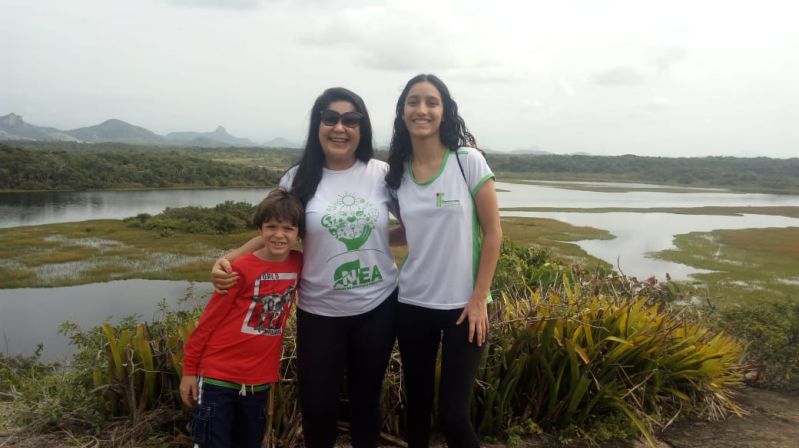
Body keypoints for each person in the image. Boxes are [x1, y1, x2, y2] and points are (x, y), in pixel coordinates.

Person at [211, 87, 399, 448]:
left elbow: (414, 223)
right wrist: (230, 259)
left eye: (351, 119)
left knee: (366, 402)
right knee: (317, 406)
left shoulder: (382, 174)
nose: (340, 127)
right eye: (330, 118)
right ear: (318, 125)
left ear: (362, 128)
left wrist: (376, 238)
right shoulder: (298, 178)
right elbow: (275, 233)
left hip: (377, 307)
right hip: (319, 310)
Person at [385, 74, 502, 448]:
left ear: (444, 111)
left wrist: (479, 298)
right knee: (417, 407)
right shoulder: (397, 173)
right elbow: (410, 230)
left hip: (463, 307)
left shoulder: (467, 162)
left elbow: (493, 233)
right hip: (412, 303)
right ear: (402, 112)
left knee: (453, 415)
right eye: (413, 102)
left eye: (431, 102)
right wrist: (364, 239)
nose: (421, 110)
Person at [180, 188, 304, 448]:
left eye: (288, 229)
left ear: (298, 233)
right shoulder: (239, 269)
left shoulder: (299, 263)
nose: (279, 235)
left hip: (259, 381)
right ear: (260, 230)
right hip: (218, 376)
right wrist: (189, 371)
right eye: (271, 227)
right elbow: (208, 323)